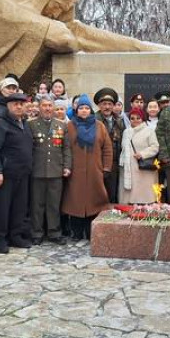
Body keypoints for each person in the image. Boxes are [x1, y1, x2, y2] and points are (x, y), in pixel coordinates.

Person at [0, 92, 34, 252]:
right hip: (6, 175)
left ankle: (16, 236)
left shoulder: (25, 124)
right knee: (2, 208)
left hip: (23, 174)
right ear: (8, 106)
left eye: (21, 104)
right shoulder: (0, 124)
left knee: (19, 208)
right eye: (15, 104)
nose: (19, 106)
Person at [62, 96, 112, 241]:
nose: (84, 111)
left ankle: (91, 232)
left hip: (95, 170)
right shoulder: (70, 126)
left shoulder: (99, 126)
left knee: (94, 200)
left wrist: (107, 167)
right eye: (81, 108)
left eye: (87, 108)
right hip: (75, 171)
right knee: (75, 201)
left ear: (90, 110)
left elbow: (107, 148)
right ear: (76, 111)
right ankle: (76, 232)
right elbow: (64, 147)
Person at [29, 95, 72, 244]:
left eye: (50, 106)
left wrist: (67, 166)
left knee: (54, 204)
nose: (47, 108)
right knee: (37, 204)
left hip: (55, 170)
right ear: (39, 107)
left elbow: (66, 148)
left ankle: (54, 232)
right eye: (44, 105)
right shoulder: (31, 125)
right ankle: (37, 233)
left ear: (53, 108)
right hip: (37, 170)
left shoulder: (61, 125)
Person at [119, 106, 159, 204]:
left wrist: (142, 154)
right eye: (132, 118)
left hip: (143, 168)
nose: (135, 120)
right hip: (128, 168)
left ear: (142, 118)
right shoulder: (126, 132)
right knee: (130, 197)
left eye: (138, 118)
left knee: (145, 197)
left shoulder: (149, 131)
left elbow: (155, 147)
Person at [95, 88, 126, 204]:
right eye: (104, 104)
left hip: (115, 163)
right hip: (98, 163)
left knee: (112, 194)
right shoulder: (93, 120)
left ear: (113, 106)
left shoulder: (119, 121)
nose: (107, 107)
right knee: (98, 194)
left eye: (109, 104)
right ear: (99, 105)